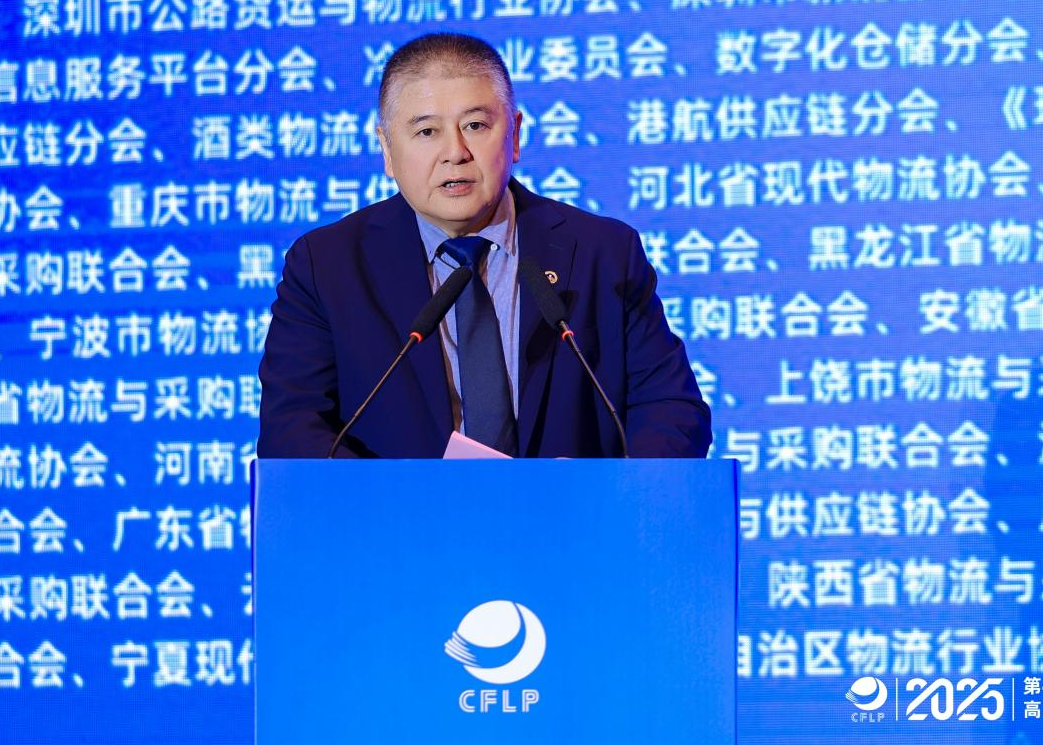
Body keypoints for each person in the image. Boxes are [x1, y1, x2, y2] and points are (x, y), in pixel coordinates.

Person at [257, 32, 710, 459]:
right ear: (387, 150)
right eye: (427, 132)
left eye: (475, 125)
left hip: (576, 516)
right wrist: (397, 504)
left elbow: (672, 410)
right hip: (399, 518)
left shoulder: (603, 253)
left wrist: (609, 498)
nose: (455, 152)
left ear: (515, 135)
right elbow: (292, 430)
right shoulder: (327, 266)